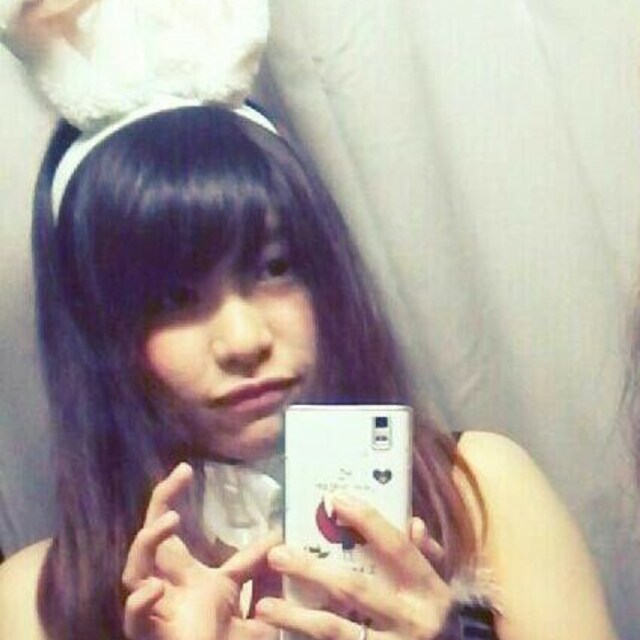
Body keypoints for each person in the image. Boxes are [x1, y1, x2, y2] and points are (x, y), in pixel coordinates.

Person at [0, 2, 619, 640]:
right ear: (98, 333)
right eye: (172, 299)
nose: (245, 340)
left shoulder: (482, 492)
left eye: (274, 267)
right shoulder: (32, 601)